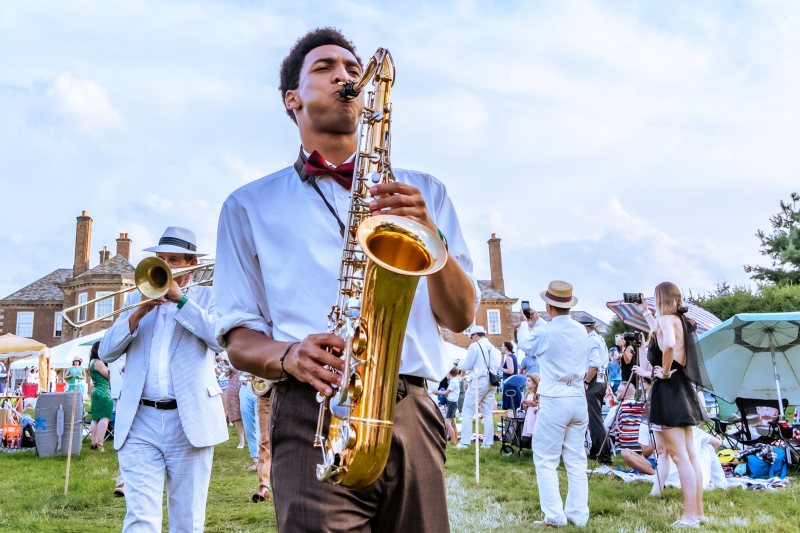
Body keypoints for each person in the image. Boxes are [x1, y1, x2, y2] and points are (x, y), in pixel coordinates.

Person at [213, 28, 477, 532]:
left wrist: (430, 236)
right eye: (325, 67)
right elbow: (239, 336)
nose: (345, 76)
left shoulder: (425, 191)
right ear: (292, 99)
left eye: (353, 70)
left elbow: (461, 315)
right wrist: (288, 355)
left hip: (413, 413)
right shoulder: (247, 206)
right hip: (313, 411)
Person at [99, 226, 227, 532]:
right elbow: (106, 350)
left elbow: (219, 339)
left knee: (187, 520)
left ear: (191, 262)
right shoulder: (137, 297)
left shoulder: (209, 296)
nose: (166, 265)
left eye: (174, 259)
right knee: (140, 518)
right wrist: (138, 312)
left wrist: (181, 301)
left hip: (189, 419)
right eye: (161, 258)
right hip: (140, 419)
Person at [517, 280, 590, 528]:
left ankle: (555, 516)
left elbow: (527, 345)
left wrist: (524, 324)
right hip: (578, 396)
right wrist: (536, 323)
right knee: (576, 458)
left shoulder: (545, 330)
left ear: (549, 306)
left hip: (556, 396)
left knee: (546, 458)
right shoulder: (581, 330)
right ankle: (578, 515)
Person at [638, 282, 709, 527]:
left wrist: (664, 372)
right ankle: (697, 513)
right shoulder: (680, 321)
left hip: (669, 389)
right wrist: (645, 313)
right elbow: (660, 337)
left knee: (680, 457)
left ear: (661, 298)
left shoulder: (667, 320)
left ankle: (689, 517)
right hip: (682, 390)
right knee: (690, 455)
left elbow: (667, 345)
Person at [456, 325, 500, 449]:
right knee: (487, 413)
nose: (471, 339)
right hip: (492, 381)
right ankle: (488, 442)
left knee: (467, 411)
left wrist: (458, 363)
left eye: (471, 336)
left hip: (480, 381)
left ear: (475, 335)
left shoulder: (475, 346)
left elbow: (466, 365)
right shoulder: (493, 347)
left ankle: (465, 442)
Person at [579, 317, 611, 467]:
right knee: (594, 418)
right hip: (600, 379)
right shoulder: (599, 339)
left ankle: (604, 455)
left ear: (585, 328)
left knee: (594, 419)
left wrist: (586, 381)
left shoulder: (591, 341)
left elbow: (595, 364)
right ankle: (595, 450)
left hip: (593, 381)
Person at [88, 341, 112, 452]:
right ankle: (100, 444)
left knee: (95, 418)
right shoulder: (99, 363)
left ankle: (93, 443)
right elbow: (109, 376)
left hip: (96, 390)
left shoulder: (92, 362)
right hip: (104, 392)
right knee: (105, 417)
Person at [433, 367, 461, 445]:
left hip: (452, 404)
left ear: (449, 374)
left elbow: (446, 393)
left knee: (447, 423)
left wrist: (437, 392)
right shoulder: (454, 380)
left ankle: (453, 441)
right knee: (453, 423)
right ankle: (456, 439)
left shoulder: (453, 382)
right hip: (453, 403)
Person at [500, 341, 522, 413]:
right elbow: (503, 366)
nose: (501, 347)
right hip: (513, 383)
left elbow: (510, 371)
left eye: (502, 346)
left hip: (510, 384)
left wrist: (500, 369)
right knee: (512, 407)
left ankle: (511, 423)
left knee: (510, 408)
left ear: (506, 347)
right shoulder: (511, 356)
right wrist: (502, 356)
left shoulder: (509, 358)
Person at [521, 373, 539, 447]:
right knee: (530, 430)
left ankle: (537, 445)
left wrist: (530, 402)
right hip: (529, 415)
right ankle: (532, 445)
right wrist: (524, 404)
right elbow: (526, 409)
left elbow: (537, 404)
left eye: (529, 381)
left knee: (535, 431)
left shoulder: (537, 394)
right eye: (526, 381)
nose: (526, 382)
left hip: (535, 415)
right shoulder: (527, 394)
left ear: (534, 384)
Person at [615, 333, 636, 400]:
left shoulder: (629, 348)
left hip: (630, 373)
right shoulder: (621, 351)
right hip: (624, 373)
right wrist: (618, 361)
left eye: (622, 339)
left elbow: (628, 361)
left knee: (629, 391)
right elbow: (622, 365)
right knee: (625, 390)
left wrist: (623, 349)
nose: (621, 340)